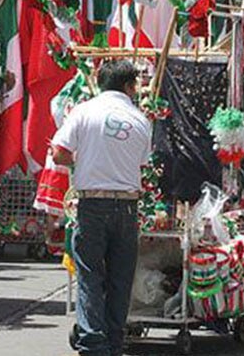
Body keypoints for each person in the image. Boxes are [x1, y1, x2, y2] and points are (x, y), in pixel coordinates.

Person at [52, 60, 152, 356]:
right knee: (120, 279)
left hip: (92, 204)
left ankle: (93, 342)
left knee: (90, 275)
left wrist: (81, 161)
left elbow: (58, 153)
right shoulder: (140, 120)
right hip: (127, 207)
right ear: (129, 87)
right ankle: (114, 341)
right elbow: (142, 163)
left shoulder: (84, 111)